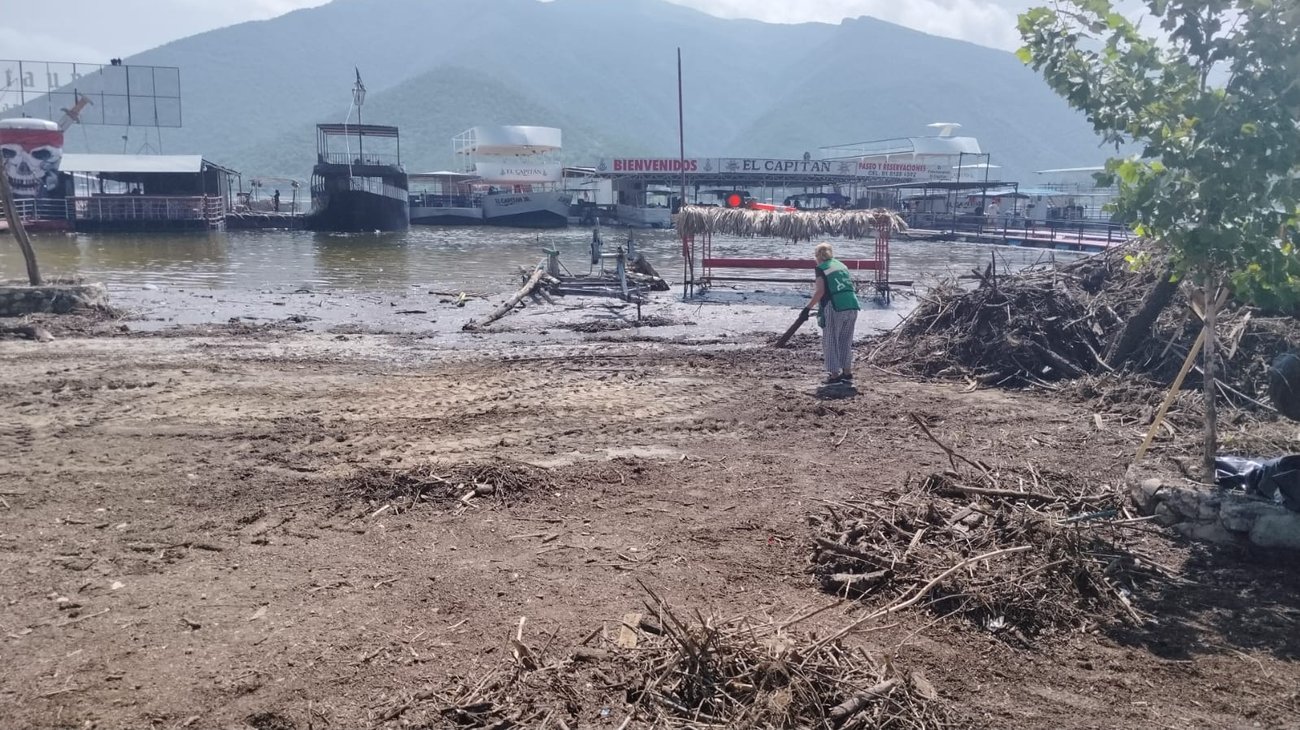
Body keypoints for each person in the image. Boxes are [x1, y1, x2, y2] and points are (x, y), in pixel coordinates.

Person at [805, 242, 861, 384]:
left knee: (830, 340)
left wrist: (807, 308)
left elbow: (820, 292)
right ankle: (847, 372)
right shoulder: (841, 265)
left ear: (818, 256)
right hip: (852, 305)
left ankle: (834, 374)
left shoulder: (821, 268)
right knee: (845, 340)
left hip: (835, 306)